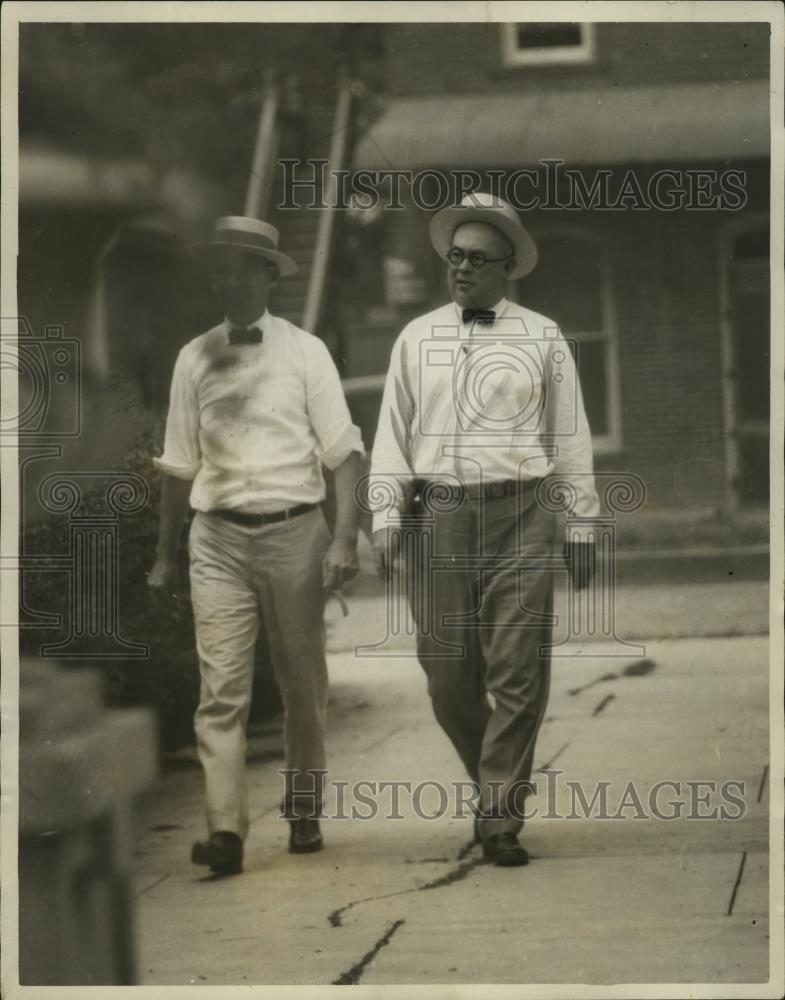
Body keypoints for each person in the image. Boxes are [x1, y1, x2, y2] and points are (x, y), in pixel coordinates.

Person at [370, 192, 599, 867]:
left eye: (476, 260)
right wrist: (385, 514)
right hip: (437, 516)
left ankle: (499, 818)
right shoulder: (415, 338)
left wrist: (580, 524)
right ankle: (490, 784)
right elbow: (390, 432)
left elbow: (570, 436)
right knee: (445, 677)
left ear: (507, 268)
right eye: (454, 258)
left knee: (516, 672)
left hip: (522, 514)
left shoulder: (542, 337)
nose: (461, 269)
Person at [147, 215, 365, 874]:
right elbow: (178, 467)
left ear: (269, 275)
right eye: (220, 265)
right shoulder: (193, 357)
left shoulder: (306, 352)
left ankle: (303, 810)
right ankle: (225, 832)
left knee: (301, 684)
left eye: (243, 265)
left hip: (296, 534)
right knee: (221, 691)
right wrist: (164, 553)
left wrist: (344, 539)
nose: (228, 277)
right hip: (215, 539)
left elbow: (343, 454)